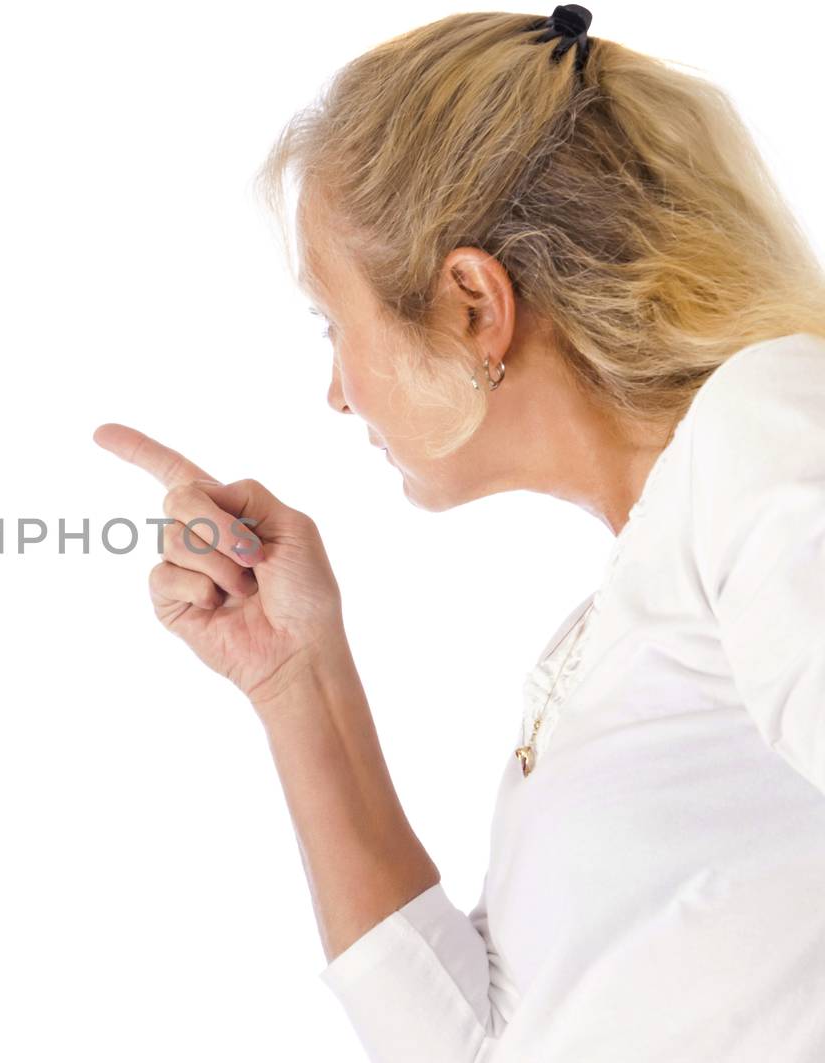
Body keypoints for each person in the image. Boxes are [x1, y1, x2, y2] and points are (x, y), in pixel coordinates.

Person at [96, 7, 825, 1061]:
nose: (336, 391)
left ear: (473, 304)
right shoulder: (633, 593)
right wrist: (294, 677)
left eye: (333, 323)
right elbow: (486, 1046)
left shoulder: (765, 431)